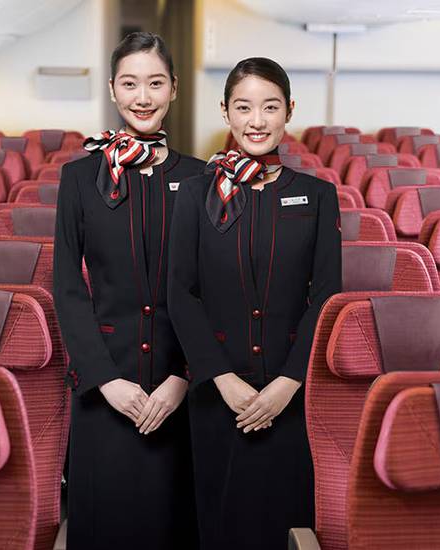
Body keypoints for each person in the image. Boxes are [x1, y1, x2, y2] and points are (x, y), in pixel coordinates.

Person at [167, 57, 342, 550]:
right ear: (226, 112)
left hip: (292, 395)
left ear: (289, 111)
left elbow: (326, 297)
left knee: (286, 525)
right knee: (218, 525)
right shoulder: (196, 195)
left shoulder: (317, 196)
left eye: (269, 107)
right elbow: (181, 293)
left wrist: (286, 384)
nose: (257, 121)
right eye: (244, 107)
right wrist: (224, 380)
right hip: (216, 395)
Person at [53, 31, 203, 550]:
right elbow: (68, 287)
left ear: (174, 89)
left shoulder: (203, 179)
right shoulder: (79, 178)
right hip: (104, 390)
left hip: (180, 390)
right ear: (114, 91)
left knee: (175, 528)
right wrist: (105, 381)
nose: (143, 96)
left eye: (155, 83)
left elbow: (212, 291)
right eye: (131, 83)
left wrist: (183, 377)